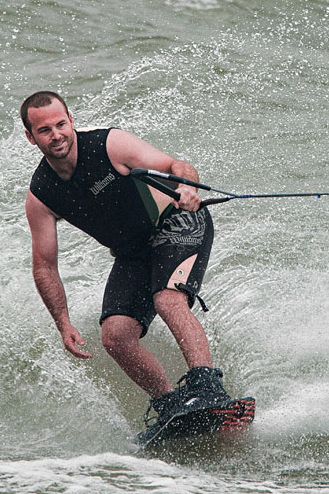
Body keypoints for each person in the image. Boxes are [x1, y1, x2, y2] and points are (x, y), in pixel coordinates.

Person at [20, 91, 231, 432]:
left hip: (177, 223)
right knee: (115, 337)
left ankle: (207, 385)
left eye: (61, 124)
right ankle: (171, 406)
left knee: (167, 299)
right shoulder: (42, 194)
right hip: (133, 252)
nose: (56, 134)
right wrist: (63, 322)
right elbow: (45, 265)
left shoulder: (109, 145)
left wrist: (185, 186)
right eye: (45, 130)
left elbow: (175, 166)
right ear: (31, 137)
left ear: (71, 122)